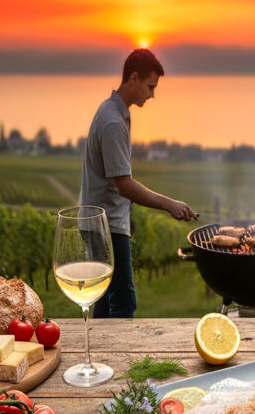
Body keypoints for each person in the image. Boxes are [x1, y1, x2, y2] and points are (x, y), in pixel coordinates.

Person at [80, 48, 196, 318]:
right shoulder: (112, 122)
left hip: (102, 221)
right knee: (123, 302)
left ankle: (98, 358)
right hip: (105, 225)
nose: (152, 94)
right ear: (133, 78)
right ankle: (116, 359)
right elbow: (124, 185)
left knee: (106, 299)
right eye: (150, 86)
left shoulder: (113, 112)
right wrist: (170, 204)